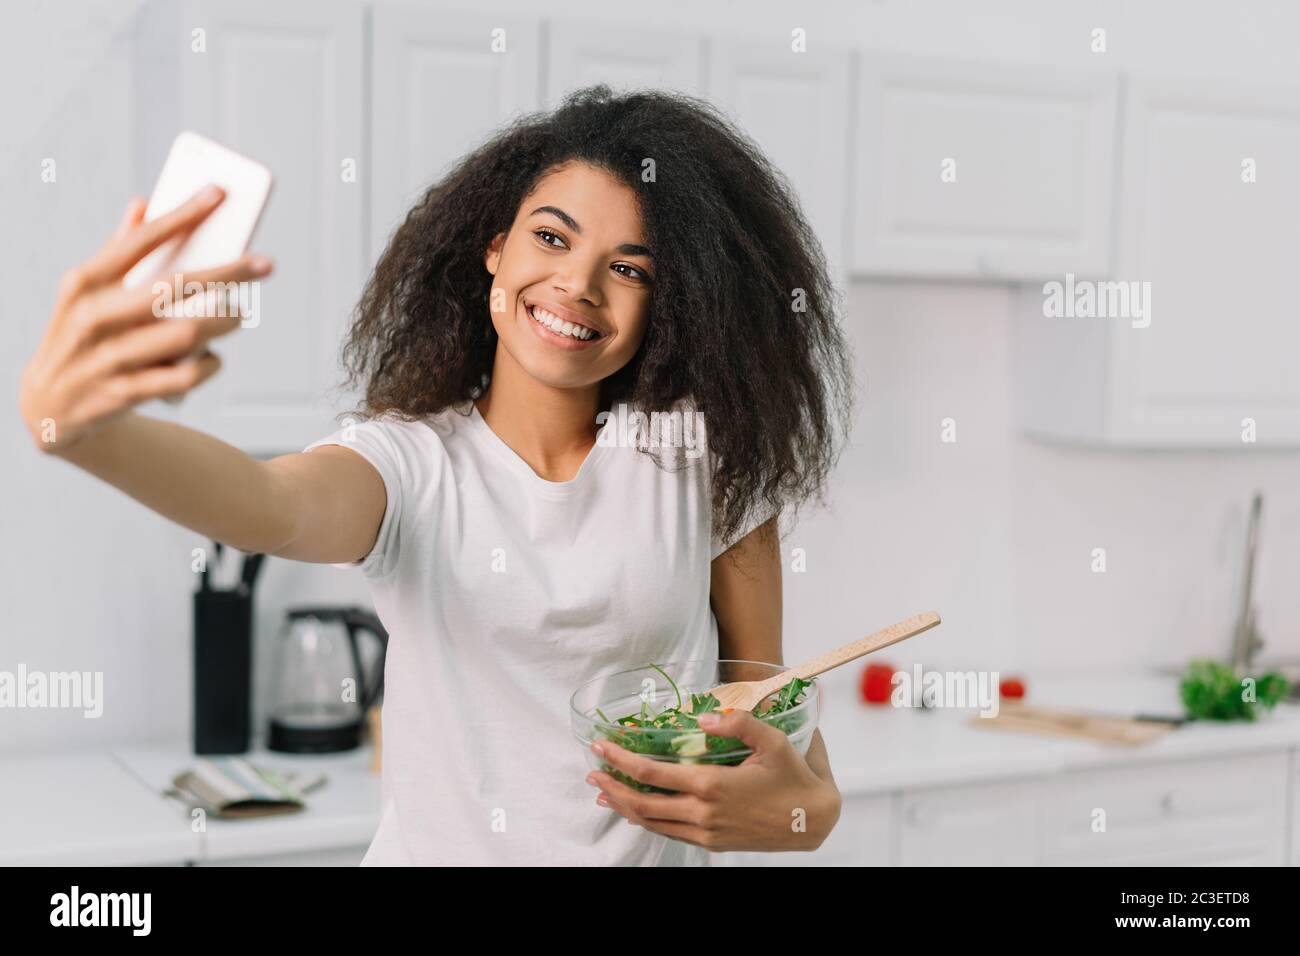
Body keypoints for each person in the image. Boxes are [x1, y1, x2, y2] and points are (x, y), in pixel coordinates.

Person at [18, 85, 855, 865]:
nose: (578, 283)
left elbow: (767, 706)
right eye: (552, 237)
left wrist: (805, 818)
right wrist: (86, 432)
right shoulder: (412, 465)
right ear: (496, 251)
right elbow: (271, 505)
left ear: (666, 304)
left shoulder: (699, 461)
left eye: (630, 268)